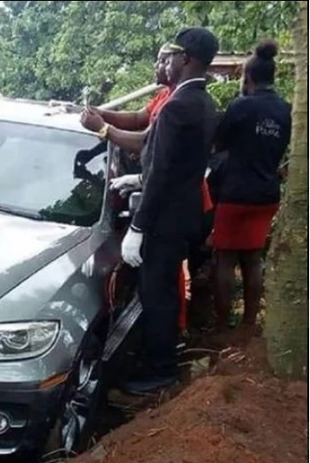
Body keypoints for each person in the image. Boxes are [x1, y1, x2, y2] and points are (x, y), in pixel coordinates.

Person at [118, 27, 219, 393]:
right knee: (164, 292)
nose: (164, 63)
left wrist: (139, 226)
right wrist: (137, 180)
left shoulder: (178, 106)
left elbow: (161, 172)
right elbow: (172, 165)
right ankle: (159, 359)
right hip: (182, 213)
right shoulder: (203, 102)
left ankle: (160, 370)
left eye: (170, 56)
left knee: (157, 294)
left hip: (165, 219)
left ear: (186, 59)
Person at [211, 39, 291, 331]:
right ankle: (247, 326)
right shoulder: (286, 109)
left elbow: (219, 143)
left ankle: (221, 325)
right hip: (267, 193)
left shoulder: (241, 106)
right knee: (253, 258)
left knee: (225, 258)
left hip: (236, 193)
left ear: (249, 78)